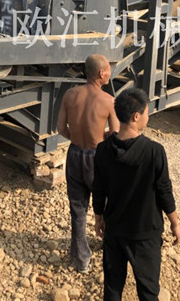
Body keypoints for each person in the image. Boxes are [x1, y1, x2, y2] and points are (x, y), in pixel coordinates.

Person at [92, 88, 180, 301]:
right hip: (145, 234)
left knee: (112, 288)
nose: (147, 117)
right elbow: (164, 191)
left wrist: (98, 218)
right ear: (135, 116)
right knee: (148, 291)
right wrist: (175, 223)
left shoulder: (103, 150)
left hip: (115, 229)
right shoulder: (154, 151)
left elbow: (98, 188)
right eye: (146, 113)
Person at [57, 54, 120, 272]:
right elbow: (115, 132)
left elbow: (61, 129)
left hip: (74, 154)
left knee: (77, 207)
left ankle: (81, 258)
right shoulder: (108, 101)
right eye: (109, 70)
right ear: (101, 73)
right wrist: (98, 139)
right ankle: (109, 245)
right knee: (107, 202)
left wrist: (76, 139)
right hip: (96, 157)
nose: (110, 73)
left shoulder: (70, 95)